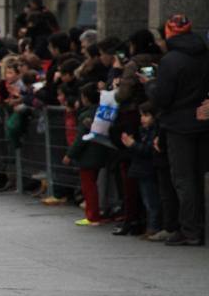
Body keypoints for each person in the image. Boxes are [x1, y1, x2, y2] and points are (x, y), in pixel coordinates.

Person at [148, 14, 209, 246]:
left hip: (178, 125)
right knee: (198, 175)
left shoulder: (170, 60)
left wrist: (151, 86)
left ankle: (190, 229)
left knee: (183, 179)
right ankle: (198, 226)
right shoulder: (204, 55)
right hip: (202, 122)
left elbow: (163, 97)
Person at [63, 83, 112, 226]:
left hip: (88, 154)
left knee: (88, 186)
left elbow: (80, 139)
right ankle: (99, 213)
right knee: (98, 184)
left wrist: (70, 154)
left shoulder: (85, 115)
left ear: (85, 98)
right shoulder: (103, 112)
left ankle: (93, 216)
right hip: (102, 150)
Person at [120, 101, 161, 239]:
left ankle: (153, 227)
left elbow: (148, 150)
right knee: (147, 200)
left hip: (148, 169)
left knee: (151, 201)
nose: (143, 119)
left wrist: (133, 145)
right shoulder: (143, 130)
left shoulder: (153, 131)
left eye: (146, 115)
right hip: (142, 169)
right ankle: (151, 227)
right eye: (142, 115)